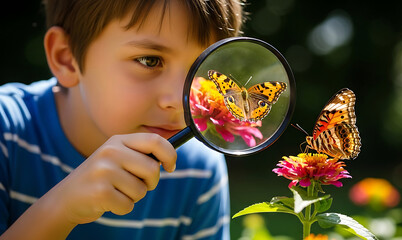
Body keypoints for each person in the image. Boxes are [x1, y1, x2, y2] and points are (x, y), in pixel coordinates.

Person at [0, 0, 245, 239]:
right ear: (66, 57)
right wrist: (62, 209)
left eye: (202, 68)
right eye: (150, 61)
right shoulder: (7, 132)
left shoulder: (199, 168)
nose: (180, 99)